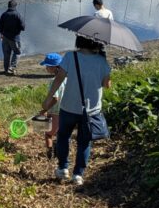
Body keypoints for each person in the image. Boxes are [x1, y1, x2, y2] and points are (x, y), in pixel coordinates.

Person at [44, 37, 111, 185]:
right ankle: (78, 175)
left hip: (69, 106)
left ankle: (63, 169)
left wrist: (48, 99)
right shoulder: (101, 61)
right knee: (84, 141)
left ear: (79, 42)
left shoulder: (70, 56)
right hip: (92, 109)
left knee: (63, 137)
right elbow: (107, 85)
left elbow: (59, 79)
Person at [37, 53, 64, 159]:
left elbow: (55, 98)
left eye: (47, 66)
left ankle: (49, 156)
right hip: (67, 112)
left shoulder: (54, 81)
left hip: (55, 112)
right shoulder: (67, 79)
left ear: (54, 67)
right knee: (60, 134)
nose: (46, 68)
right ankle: (59, 153)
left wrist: (45, 109)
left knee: (48, 134)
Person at [0, 0, 25, 75]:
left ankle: (6, 70)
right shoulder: (17, 15)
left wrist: (1, 34)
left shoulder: (4, 14)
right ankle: (12, 67)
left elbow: (0, 28)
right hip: (15, 38)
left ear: (8, 6)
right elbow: (23, 27)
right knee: (17, 52)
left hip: (5, 38)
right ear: (15, 6)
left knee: (6, 55)